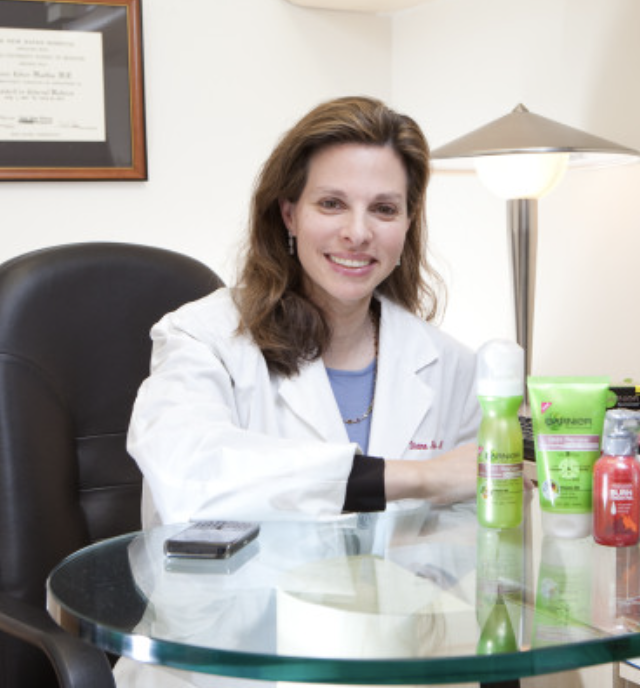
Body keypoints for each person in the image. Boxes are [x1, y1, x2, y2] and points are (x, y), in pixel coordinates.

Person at [127, 95, 480, 529]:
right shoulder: (201, 338)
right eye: (331, 203)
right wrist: (422, 477)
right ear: (289, 215)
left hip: (404, 596)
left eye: (384, 209)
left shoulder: (453, 367)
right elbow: (191, 477)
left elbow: (469, 535)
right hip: (237, 596)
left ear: (407, 224)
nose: (357, 232)